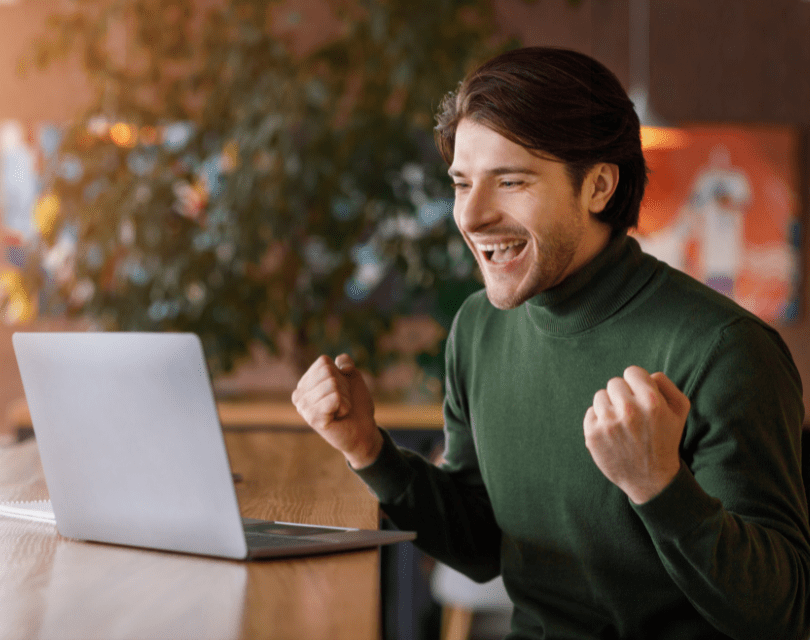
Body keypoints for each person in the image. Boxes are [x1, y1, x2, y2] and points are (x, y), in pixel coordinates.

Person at [291, 47, 810, 640]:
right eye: (462, 183)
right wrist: (368, 449)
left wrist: (659, 486)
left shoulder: (726, 351)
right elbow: (482, 544)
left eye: (511, 181)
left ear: (597, 186)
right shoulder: (478, 326)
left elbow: (782, 615)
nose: (473, 215)